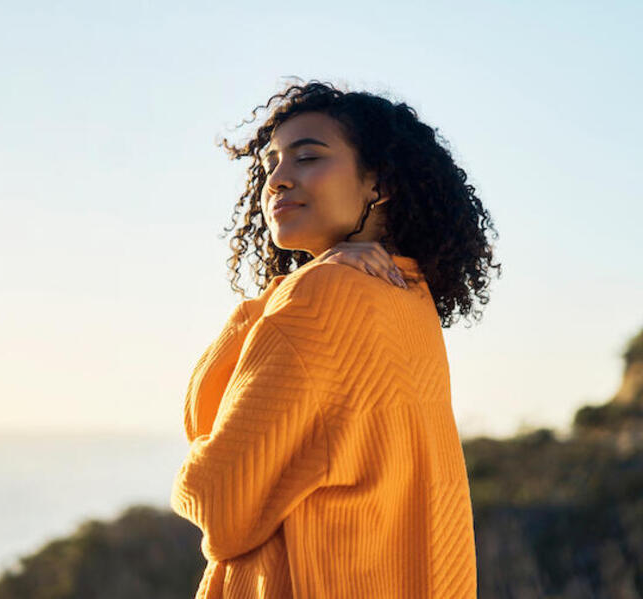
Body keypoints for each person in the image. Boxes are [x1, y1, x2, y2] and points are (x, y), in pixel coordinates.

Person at [171, 79, 501, 598]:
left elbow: (217, 503)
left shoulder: (319, 297)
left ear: (379, 184)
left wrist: (280, 297)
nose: (277, 180)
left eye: (307, 158)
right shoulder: (407, 297)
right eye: (270, 165)